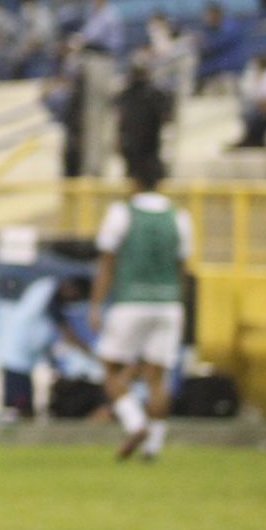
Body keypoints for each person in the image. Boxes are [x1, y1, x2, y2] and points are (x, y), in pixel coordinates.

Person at [89, 164, 193, 460]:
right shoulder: (179, 217)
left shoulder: (121, 213)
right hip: (169, 303)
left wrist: (96, 304)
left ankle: (135, 425)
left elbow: (107, 262)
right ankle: (153, 447)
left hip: (131, 300)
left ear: (134, 181)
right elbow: (182, 268)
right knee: (157, 379)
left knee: (110, 370)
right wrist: (179, 305)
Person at [0, 276, 92, 420]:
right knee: (18, 406)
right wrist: (87, 351)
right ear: (72, 289)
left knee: (27, 406)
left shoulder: (51, 301)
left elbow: (50, 335)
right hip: (17, 355)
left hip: (26, 358)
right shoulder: (49, 288)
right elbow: (61, 325)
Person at [116, 58, 172, 181]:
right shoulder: (127, 94)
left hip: (149, 145)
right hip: (131, 146)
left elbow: (165, 116)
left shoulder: (154, 94)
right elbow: (121, 119)